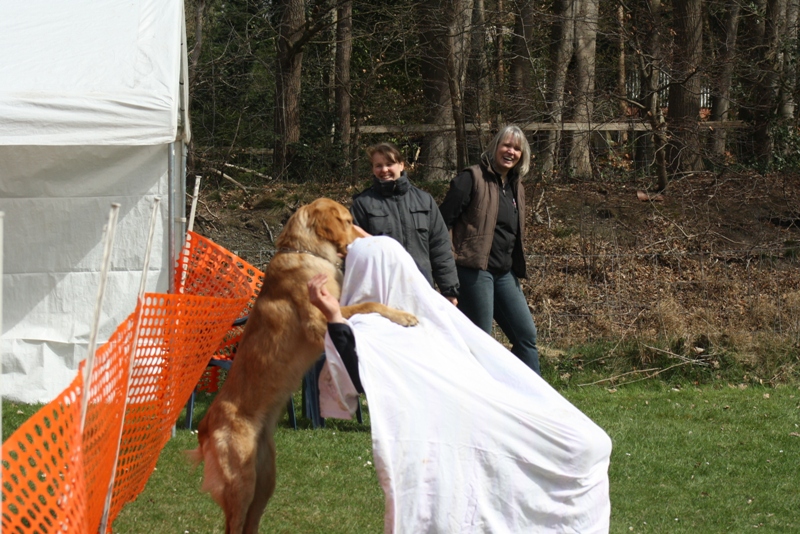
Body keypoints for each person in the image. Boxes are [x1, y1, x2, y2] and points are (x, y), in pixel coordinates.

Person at [309, 236, 612, 534]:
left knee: (577, 450)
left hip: (478, 421)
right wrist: (336, 317)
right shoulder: (383, 326)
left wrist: (336, 314)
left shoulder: (419, 319)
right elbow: (361, 374)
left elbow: (357, 374)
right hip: (456, 435)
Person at [439, 124, 541, 373]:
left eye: (516, 148)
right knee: (480, 342)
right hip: (472, 271)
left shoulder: (516, 186)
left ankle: (532, 394)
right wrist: (446, 272)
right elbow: (440, 225)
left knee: (526, 336)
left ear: (522, 155)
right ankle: (475, 394)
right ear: (495, 146)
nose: (510, 152)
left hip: (504, 273)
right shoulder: (471, 178)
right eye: (506, 145)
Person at [351, 142, 459, 304]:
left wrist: (449, 288)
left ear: (401, 165)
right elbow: (354, 252)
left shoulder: (424, 201)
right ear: (373, 169)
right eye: (378, 165)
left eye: (389, 164)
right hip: (383, 294)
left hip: (422, 289)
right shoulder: (362, 204)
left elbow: (440, 248)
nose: (384, 170)